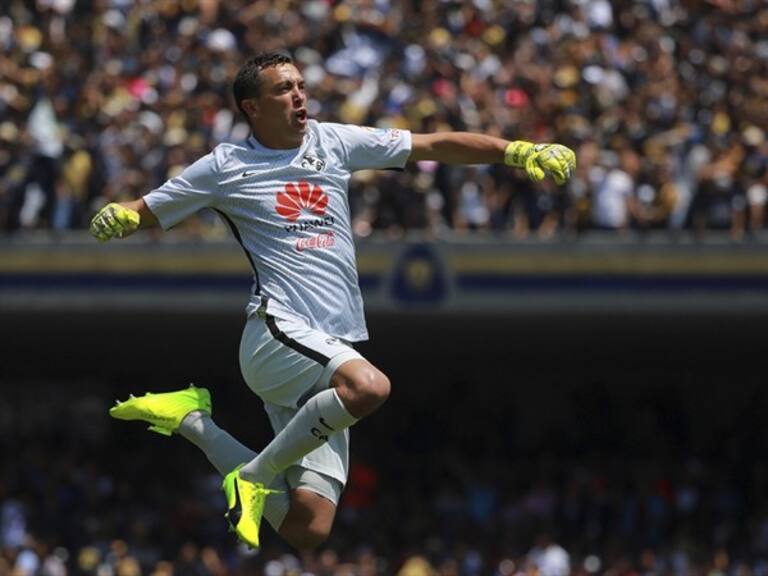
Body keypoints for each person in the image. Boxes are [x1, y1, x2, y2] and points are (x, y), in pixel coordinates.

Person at [90, 51, 576, 551]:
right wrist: (120, 216)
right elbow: (145, 208)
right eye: (283, 89)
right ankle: (253, 475)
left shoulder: (333, 141)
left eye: (300, 84)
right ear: (251, 108)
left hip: (328, 345)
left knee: (307, 528)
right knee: (369, 386)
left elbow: (431, 144)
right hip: (277, 332)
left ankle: (192, 421)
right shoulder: (226, 166)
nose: (298, 95)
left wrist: (516, 151)